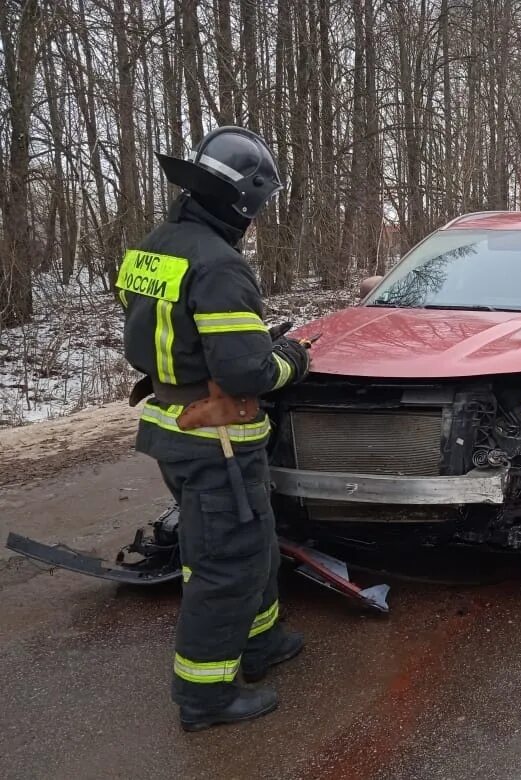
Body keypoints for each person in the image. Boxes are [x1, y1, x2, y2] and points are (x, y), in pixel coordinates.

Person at [116, 126, 311, 731]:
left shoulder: (155, 247)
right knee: (228, 560)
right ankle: (205, 696)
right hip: (215, 439)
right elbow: (248, 371)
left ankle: (261, 641)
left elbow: (167, 336)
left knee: (251, 545)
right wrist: (294, 357)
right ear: (242, 201)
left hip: (174, 425)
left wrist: (245, 341)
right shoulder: (221, 265)